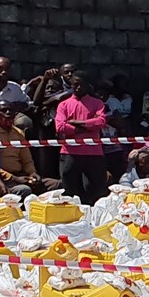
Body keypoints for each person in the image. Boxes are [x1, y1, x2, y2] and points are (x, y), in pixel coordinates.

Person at [53, 72, 112, 203]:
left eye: (81, 85)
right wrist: (88, 126)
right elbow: (60, 127)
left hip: (93, 154)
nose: (78, 88)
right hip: (70, 153)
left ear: (87, 85)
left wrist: (76, 123)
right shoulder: (64, 104)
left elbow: (101, 122)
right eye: (75, 85)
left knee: (96, 193)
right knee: (70, 193)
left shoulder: (97, 103)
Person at [0, 102, 41, 193]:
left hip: (21, 175)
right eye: (3, 110)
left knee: (56, 184)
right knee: (25, 190)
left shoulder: (19, 133)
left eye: (10, 110)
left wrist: (32, 173)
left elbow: (27, 159)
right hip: (2, 179)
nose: (8, 113)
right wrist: (14, 178)